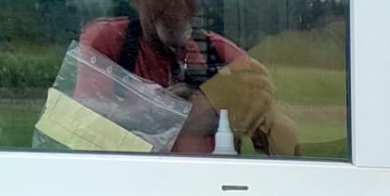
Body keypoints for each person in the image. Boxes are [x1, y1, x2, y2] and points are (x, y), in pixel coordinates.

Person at [78, 0, 298, 155]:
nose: (176, 4)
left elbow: (288, 151)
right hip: (133, 188)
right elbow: (80, 124)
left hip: (208, 189)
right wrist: (159, 111)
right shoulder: (110, 43)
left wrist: (267, 118)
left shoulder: (220, 53)